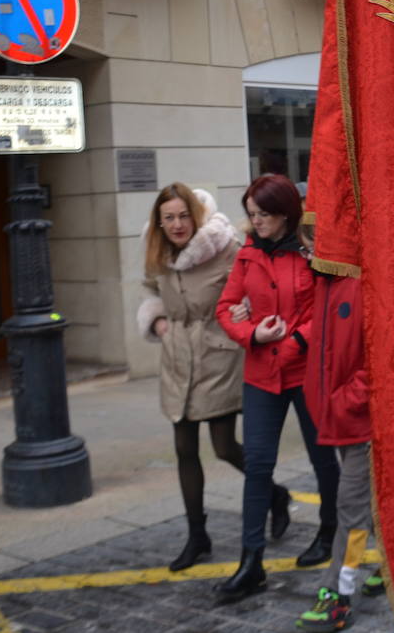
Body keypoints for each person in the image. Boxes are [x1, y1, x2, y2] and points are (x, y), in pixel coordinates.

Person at [214, 175, 340, 604]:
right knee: (258, 467)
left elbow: (323, 310)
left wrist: (293, 342)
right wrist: (252, 333)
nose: (255, 222)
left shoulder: (310, 255)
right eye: (251, 214)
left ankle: (329, 530)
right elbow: (225, 308)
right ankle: (252, 562)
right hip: (261, 375)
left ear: (285, 213)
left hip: (306, 371)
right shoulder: (247, 255)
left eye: (263, 214)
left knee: (323, 458)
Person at [138, 185, 247, 572]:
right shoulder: (159, 251)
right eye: (169, 217)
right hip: (178, 357)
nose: (177, 224)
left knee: (224, 447)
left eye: (183, 215)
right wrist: (158, 320)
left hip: (218, 357)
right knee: (185, 448)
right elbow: (151, 289)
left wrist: (233, 329)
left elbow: (249, 294)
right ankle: (197, 535)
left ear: (195, 216)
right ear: (159, 221)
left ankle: (277, 495)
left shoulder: (225, 248)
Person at [295, 228, 385, 631]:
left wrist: (346, 400)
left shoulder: (361, 283)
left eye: (316, 239)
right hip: (338, 417)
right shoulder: (324, 281)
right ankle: (390, 563)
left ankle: (338, 592)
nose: (311, 248)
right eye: (306, 240)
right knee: (372, 501)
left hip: (359, 421)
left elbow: (379, 357)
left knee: (351, 510)